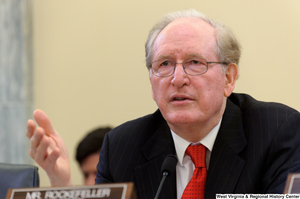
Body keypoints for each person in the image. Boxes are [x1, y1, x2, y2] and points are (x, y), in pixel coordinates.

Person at [26, 9, 300, 198]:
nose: (177, 78)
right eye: (164, 64)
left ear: (229, 78)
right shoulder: (122, 147)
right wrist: (61, 185)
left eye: (195, 63)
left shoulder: (276, 131)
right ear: (151, 80)